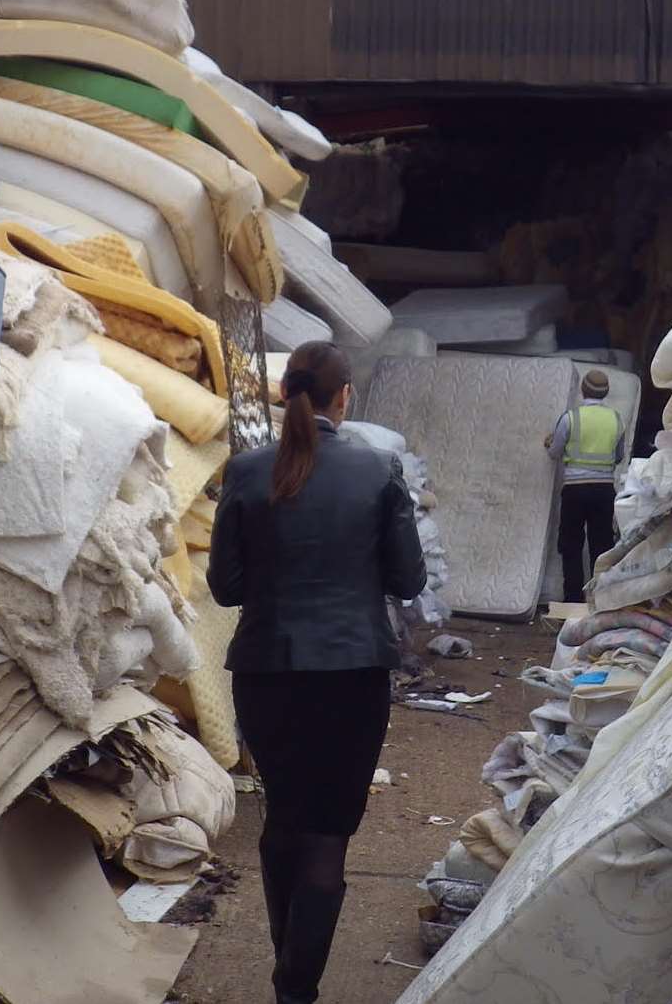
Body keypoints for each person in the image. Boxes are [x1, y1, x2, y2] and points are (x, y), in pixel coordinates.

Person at [208, 341, 427, 1004]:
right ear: (345, 396)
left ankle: (288, 970)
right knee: (327, 836)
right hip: (352, 672)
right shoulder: (377, 468)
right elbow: (407, 577)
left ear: (283, 394)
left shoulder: (245, 472)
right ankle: (294, 989)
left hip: (267, 667)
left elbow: (225, 586)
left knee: (283, 818)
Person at [546, 369, 624, 601]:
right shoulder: (615, 419)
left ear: (583, 389)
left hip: (575, 489)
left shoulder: (570, 418)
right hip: (604, 490)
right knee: (601, 545)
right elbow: (618, 456)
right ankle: (599, 599)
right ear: (606, 392)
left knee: (571, 544)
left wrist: (550, 443)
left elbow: (555, 452)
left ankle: (573, 599)